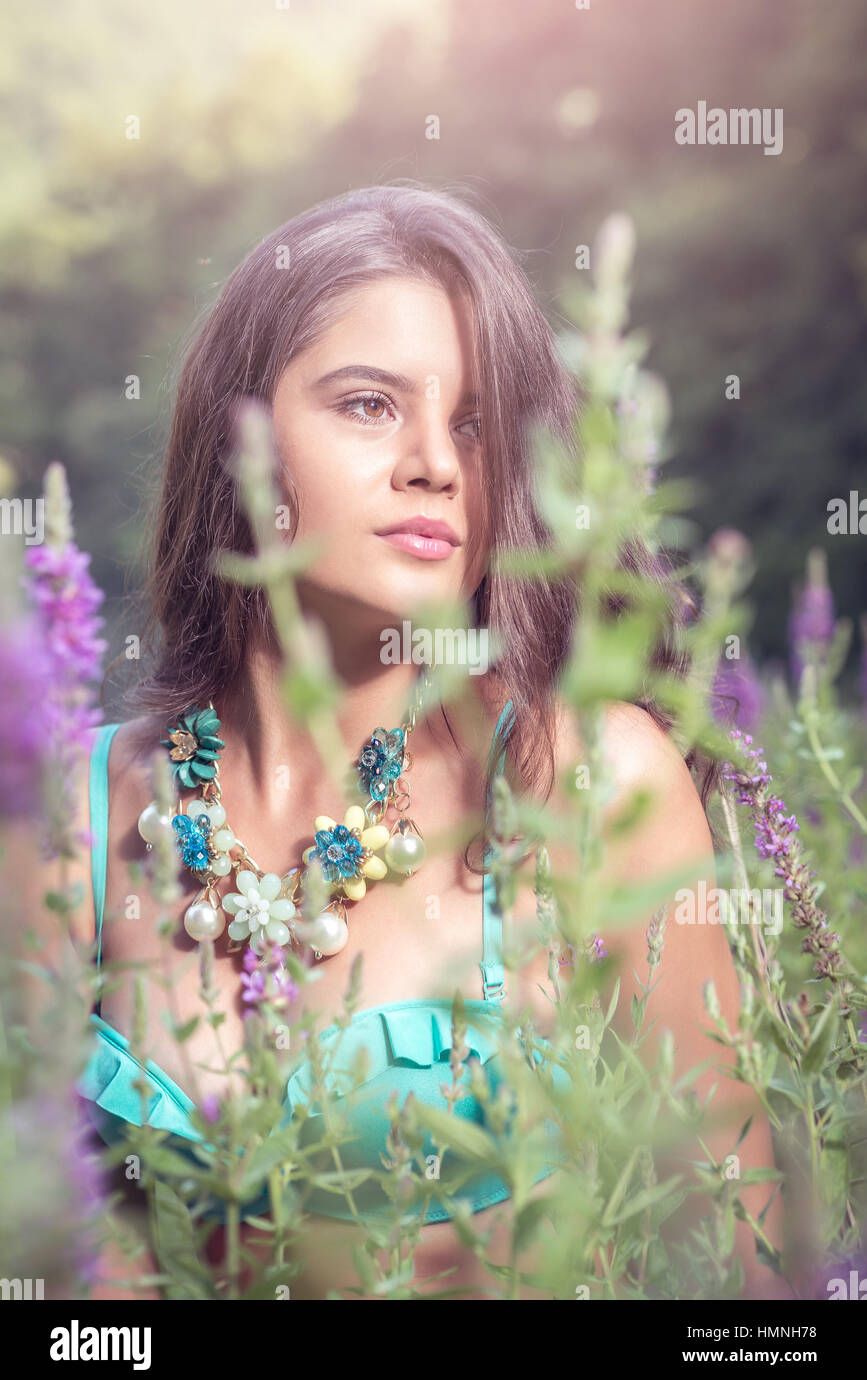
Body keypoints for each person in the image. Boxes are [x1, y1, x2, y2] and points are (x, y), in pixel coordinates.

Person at [38, 182, 784, 1299]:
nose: (437, 461)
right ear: (237, 434)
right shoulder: (72, 812)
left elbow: (747, 1277)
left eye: (476, 423)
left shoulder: (576, 783)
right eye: (371, 403)